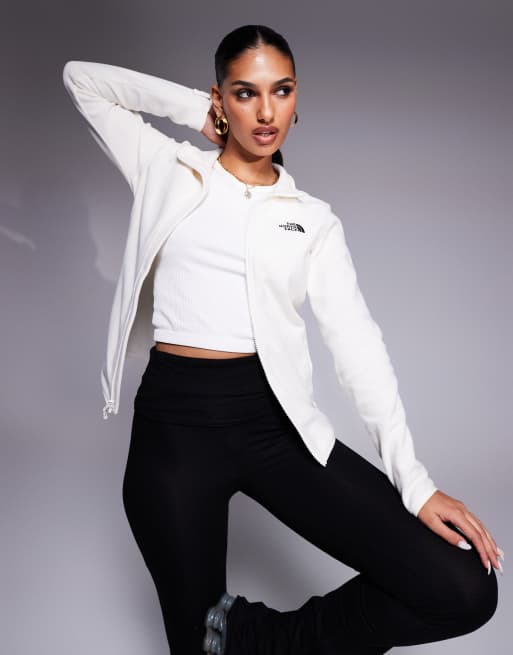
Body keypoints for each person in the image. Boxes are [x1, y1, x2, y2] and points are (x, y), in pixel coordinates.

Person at [62, 24, 503, 655]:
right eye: (246, 93)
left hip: (273, 425)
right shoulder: (167, 167)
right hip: (173, 433)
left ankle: (260, 636)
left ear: (298, 99)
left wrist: (415, 481)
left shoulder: (312, 221)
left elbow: (359, 348)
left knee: (464, 588)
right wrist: (198, 112)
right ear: (221, 98)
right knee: (196, 645)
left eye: (282, 91)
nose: (266, 112)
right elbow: (82, 79)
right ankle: (225, 634)